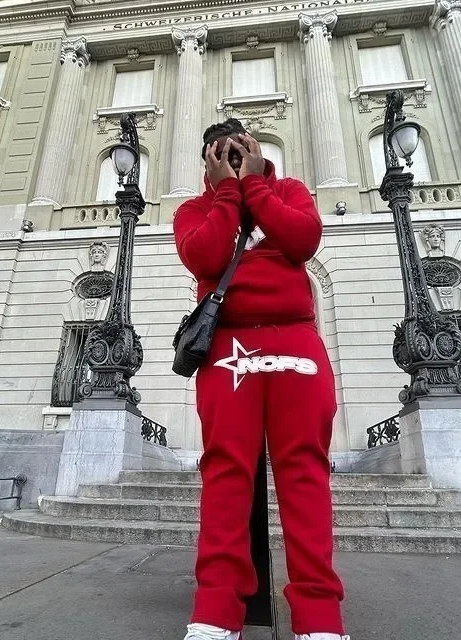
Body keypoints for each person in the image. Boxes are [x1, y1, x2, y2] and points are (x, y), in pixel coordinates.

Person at [173, 118, 348, 640]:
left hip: (295, 338)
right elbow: (203, 257)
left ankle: (319, 619)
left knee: (305, 471)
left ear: (254, 149)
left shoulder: (288, 191)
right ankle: (215, 611)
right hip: (228, 343)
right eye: (219, 154)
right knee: (225, 471)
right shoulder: (195, 209)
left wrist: (254, 184)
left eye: (239, 151)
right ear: (207, 161)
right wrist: (227, 193)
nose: (230, 160)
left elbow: (303, 240)